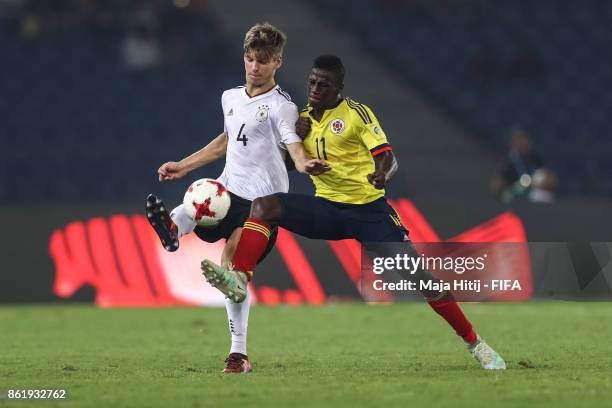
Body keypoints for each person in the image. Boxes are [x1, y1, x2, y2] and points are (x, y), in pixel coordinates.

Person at [202, 55, 506, 370]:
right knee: (265, 205)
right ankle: (239, 278)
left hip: (368, 213)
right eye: (312, 82)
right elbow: (286, 163)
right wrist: (293, 143)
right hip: (328, 208)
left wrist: (380, 174)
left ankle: (476, 344)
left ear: (339, 88)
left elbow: (387, 156)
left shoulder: (357, 114)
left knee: (423, 280)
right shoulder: (301, 120)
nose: (316, 88)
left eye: (324, 84)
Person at [146, 23, 329, 374]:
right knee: (199, 195)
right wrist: (183, 165)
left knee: (233, 272)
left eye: (262, 60)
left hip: (260, 207)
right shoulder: (230, 97)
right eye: (249, 58)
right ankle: (172, 231)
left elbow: (294, 144)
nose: (254, 67)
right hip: (227, 191)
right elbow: (226, 140)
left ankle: (238, 354)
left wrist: (306, 163)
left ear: (277, 61)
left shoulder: (281, 107)